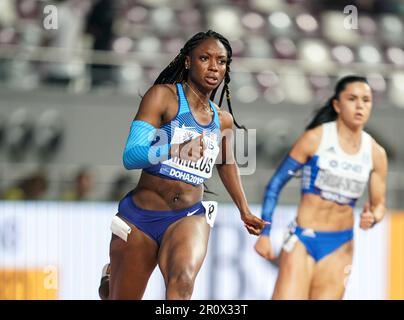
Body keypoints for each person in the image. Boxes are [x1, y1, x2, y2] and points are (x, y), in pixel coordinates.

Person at [100, 30, 267, 300]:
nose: (214, 67)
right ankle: (109, 281)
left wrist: (244, 209)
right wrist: (175, 149)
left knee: (183, 282)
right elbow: (131, 155)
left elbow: (225, 162)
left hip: (188, 216)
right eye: (205, 58)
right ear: (188, 61)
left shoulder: (222, 120)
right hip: (141, 217)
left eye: (221, 61)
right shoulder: (162, 98)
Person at [254, 75, 388, 299]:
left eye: (366, 100)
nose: (360, 106)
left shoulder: (375, 153)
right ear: (337, 104)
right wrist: (265, 233)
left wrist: (373, 218)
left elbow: (379, 205)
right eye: (352, 99)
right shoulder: (315, 139)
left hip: (340, 244)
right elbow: (275, 183)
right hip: (303, 239)